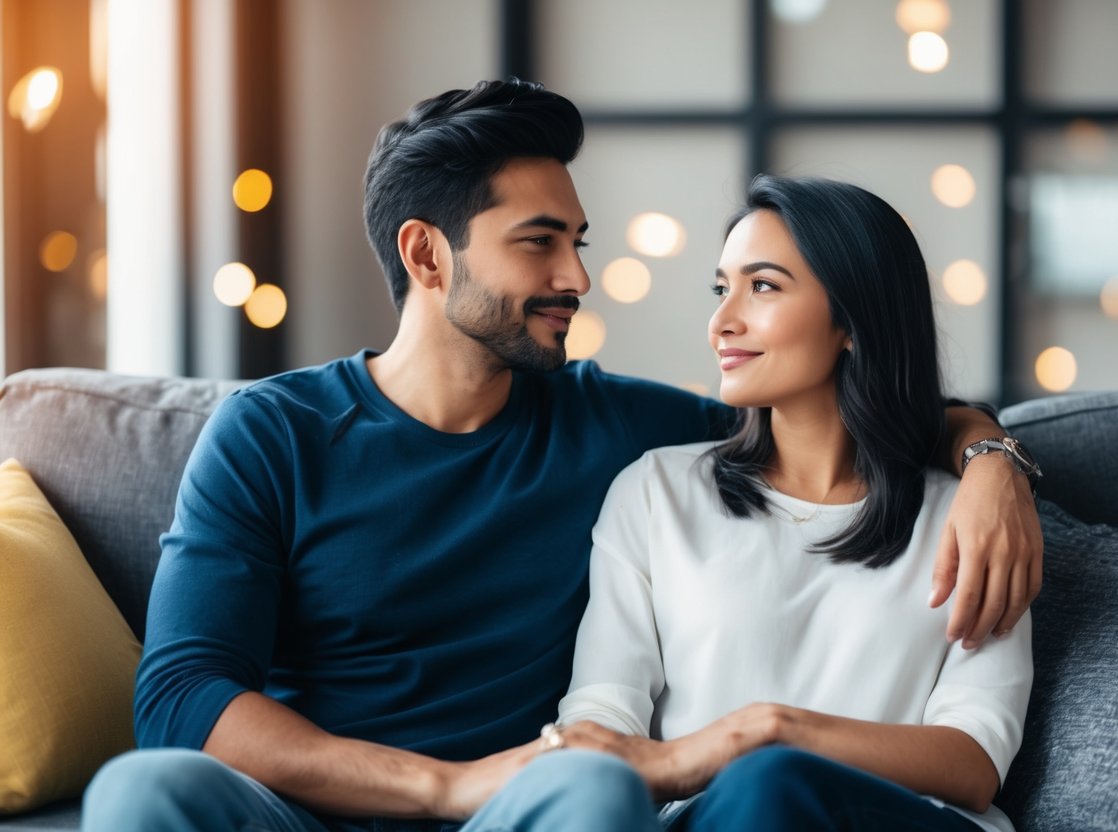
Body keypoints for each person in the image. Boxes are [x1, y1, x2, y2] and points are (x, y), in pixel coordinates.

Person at [82, 80, 1041, 832]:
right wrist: (442, 786)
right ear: (427, 256)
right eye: (539, 244)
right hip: (319, 812)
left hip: (527, 812)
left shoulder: (620, 432)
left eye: (576, 242)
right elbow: (181, 696)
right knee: (142, 794)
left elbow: (835, 417)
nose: (576, 278)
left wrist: (990, 456)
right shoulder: (272, 432)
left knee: (594, 796)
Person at [551, 175, 1033, 831]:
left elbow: (974, 761)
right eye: (722, 288)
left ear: (854, 321)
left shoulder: (972, 519)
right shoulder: (655, 491)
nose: (722, 321)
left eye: (764, 286)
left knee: (772, 780)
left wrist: (771, 732)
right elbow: (603, 714)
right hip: (711, 819)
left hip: (900, 823)